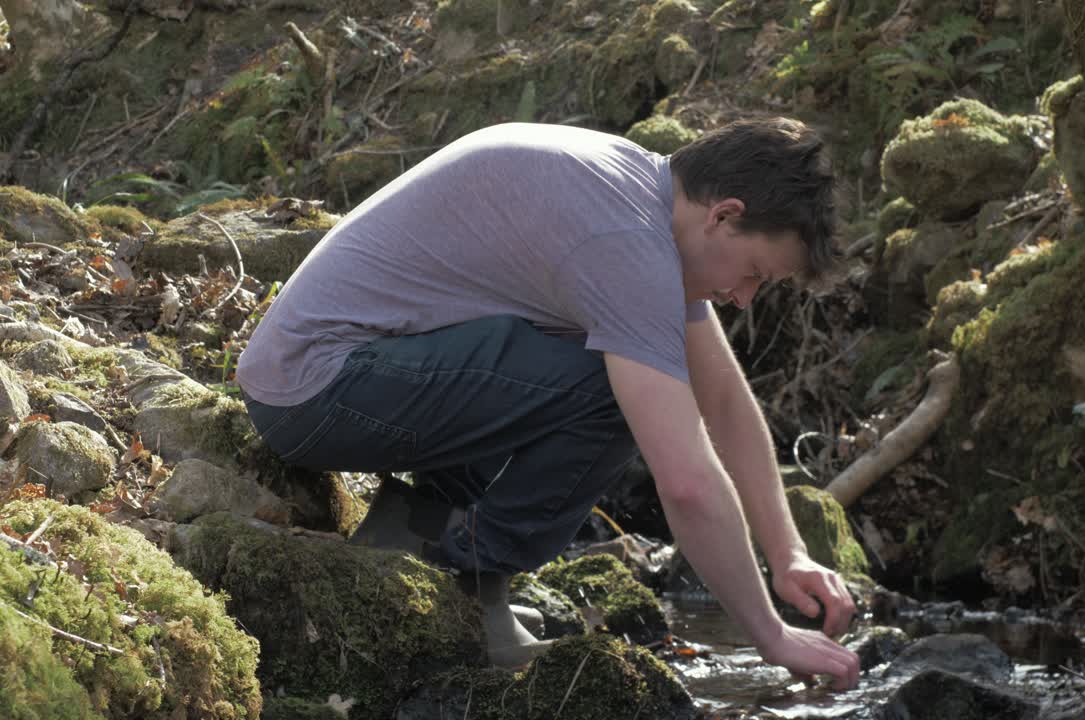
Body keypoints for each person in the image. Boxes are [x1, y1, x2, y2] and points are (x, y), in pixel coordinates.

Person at [235, 118, 861, 686]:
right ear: (724, 215)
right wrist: (770, 636)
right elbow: (688, 482)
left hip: (321, 378)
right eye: (754, 272)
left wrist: (788, 553)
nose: (743, 297)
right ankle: (467, 572)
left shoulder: (637, 193)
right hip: (319, 392)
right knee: (613, 390)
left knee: (597, 362)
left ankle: (428, 537)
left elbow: (722, 399)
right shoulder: (626, 242)